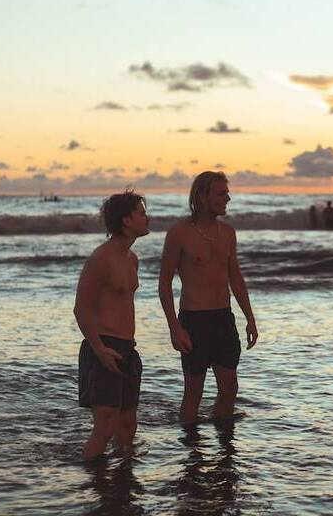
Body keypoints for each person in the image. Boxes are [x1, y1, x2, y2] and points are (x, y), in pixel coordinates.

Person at [159, 171, 259, 424]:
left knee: (230, 388)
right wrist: (174, 327)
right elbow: (164, 283)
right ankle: (192, 454)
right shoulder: (179, 233)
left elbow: (235, 278)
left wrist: (250, 318)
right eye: (221, 193)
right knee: (194, 392)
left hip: (223, 318)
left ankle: (226, 452)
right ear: (202, 196)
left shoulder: (227, 233)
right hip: (194, 320)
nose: (228, 198)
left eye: (227, 193)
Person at [73, 190, 150, 460]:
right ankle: (91, 483)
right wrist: (100, 349)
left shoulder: (132, 260)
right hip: (103, 346)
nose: (147, 218)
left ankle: (123, 481)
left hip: (127, 348)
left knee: (128, 425)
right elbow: (81, 309)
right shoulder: (100, 260)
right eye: (141, 213)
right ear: (126, 221)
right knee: (105, 426)